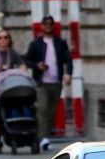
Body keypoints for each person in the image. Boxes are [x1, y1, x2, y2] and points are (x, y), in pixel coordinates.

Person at [24, 15, 72, 151]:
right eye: (46, 24)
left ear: (54, 26)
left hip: (56, 82)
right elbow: (27, 61)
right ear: (42, 26)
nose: (48, 26)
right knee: (42, 109)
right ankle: (42, 138)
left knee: (51, 111)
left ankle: (45, 137)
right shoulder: (36, 44)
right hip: (41, 82)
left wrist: (68, 73)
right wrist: (37, 65)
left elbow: (68, 59)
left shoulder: (60, 43)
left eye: (51, 24)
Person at [0, 30, 24, 151]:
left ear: (9, 40)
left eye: (5, 37)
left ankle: (15, 131)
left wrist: (15, 73)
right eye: (0, 38)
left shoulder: (12, 53)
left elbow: (22, 65)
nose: (3, 40)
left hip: (9, 86)